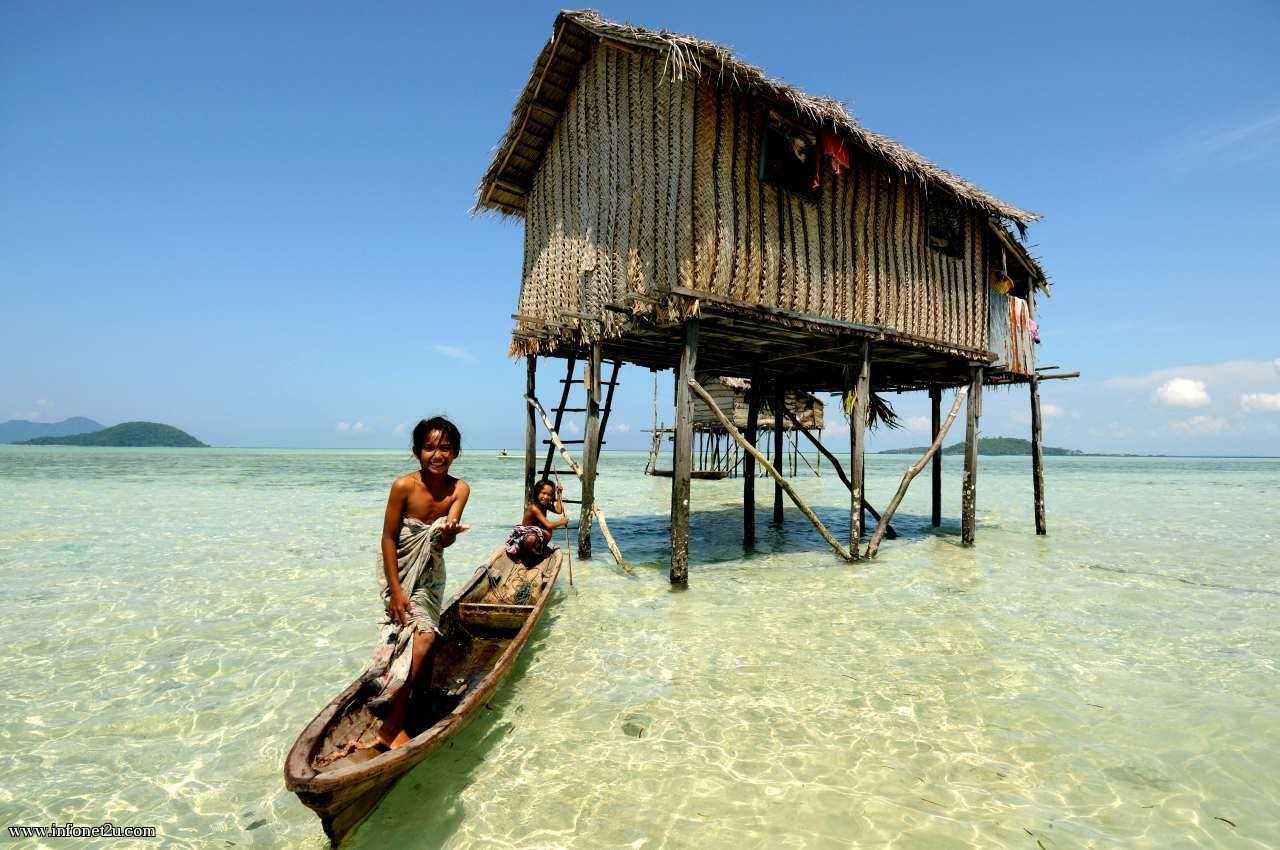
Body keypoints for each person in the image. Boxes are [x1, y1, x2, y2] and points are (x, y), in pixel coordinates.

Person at [361, 416, 469, 751]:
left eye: (445, 448)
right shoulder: (403, 487)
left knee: (423, 635)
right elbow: (388, 538)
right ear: (417, 451)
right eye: (430, 448)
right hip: (401, 568)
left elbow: (444, 540)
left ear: (455, 453)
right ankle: (396, 716)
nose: (437, 455)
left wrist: (448, 533)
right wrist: (395, 590)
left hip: (432, 571)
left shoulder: (459, 489)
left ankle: (398, 715)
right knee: (410, 634)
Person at [505, 478, 566, 562]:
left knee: (548, 531)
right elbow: (548, 524)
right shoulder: (533, 508)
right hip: (525, 535)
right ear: (537, 492)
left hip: (536, 533)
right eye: (543, 493)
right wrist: (561, 522)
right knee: (532, 538)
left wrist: (559, 494)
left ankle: (538, 550)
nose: (546, 497)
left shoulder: (545, 505)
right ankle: (522, 554)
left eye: (549, 494)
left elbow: (559, 510)